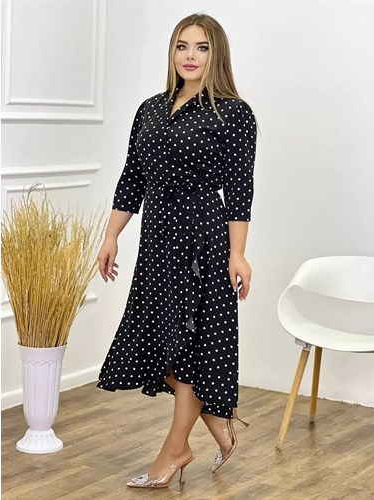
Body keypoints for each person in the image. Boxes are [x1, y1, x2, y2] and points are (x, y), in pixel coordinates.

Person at [96, 12, 258, 489]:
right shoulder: (149, 109)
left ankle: (174, 451)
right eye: (182, 46)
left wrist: (237, 253)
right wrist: (111, 235)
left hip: (202, 241)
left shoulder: (233, 113)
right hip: (157, 242)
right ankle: (216, 422)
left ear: (216, 55)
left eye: (201, 48)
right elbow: (132, 177)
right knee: (159, 343)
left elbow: (240, 190)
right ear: (172, 52)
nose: (190, 56)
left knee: (189, 346)